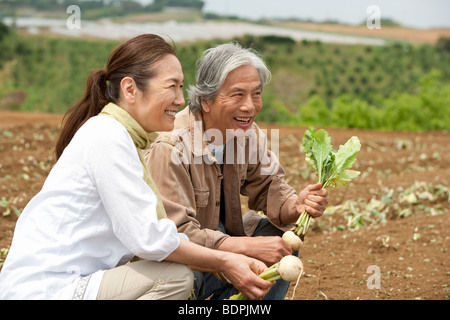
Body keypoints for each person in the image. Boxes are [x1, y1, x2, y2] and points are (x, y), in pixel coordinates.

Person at [0, 35, 274, 300]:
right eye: (172, 87)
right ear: (130, 89)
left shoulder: (123, 137)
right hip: (48, 288)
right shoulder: (108, 137)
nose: (180, 99)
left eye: (181, 87)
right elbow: (150, 240)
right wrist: (226, 260)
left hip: (79, 279)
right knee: (173, 277)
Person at [144, 42, 329, 300]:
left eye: (256, 94)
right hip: (184, 262)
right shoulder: (171, 146)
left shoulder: (247, 135)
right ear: (206, 100)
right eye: (238, 95)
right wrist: (243, 246)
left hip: (221, 245)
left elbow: (268, 187)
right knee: (184, 278)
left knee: (281, 243)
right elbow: (176, 236)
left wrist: (297, 205)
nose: (250, 106)